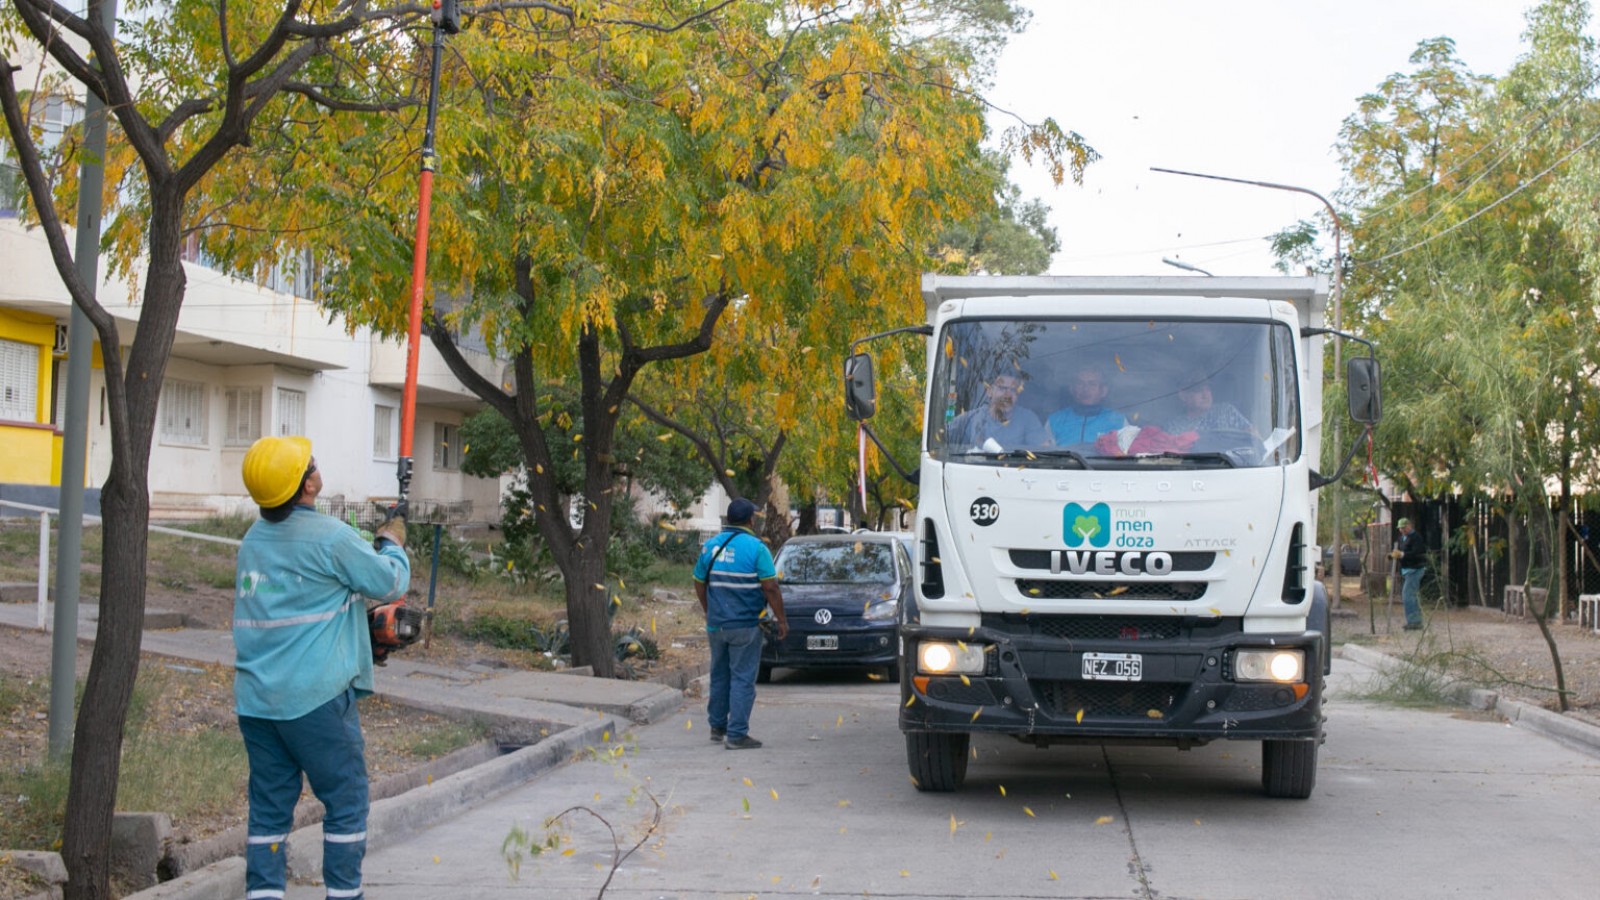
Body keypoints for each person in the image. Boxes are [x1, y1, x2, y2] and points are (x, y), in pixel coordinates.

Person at [234, 435, 411, 900]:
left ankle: (264, 894)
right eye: (311, 464)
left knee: (269, 811)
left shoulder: (252, 541)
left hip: (257, 702)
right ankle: (344, 894)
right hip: (315, 701)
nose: (316, 466)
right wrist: (392, 542)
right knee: (346, 802)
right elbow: (389, 580)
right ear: (307, 485)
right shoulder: (330, 537)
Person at [694, 498, 789, 749]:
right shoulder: (757, 549)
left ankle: (717, 727)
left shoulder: (710, 547)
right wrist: (781, 619)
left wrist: (709, 610)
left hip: (717, 625)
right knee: (743, 678)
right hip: (746, 626)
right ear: (750, 520)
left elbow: (698, 581)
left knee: (720, 674)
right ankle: (736, 734)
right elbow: (770, 587)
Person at [945, 370, 1050, 449]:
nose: (1008, 395)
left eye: (1013, 390)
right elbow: (940, 443)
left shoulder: (1028, 419)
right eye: (1002, 388)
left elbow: (1044, 451)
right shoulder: (969, 419)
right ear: (989, 391)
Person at [1048, 363, 1125, 446]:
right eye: (1080, 384)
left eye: (1092, 384)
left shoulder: (1119, 421)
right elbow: (1045, 454)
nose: (1085, 389)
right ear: (1071, 389)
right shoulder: (1055, 420)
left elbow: (1128, 454)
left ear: (1103, 391)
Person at [1166, 377, 1256, 436]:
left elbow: (1255, 439)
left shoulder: (1226, 411)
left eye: (1208, 389)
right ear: (1183, 396)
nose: (1205, 395)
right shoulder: (1176, 425)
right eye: (1198, 390)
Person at [1390, 517, 1426, 630]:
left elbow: (1417, 553)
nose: (1402, 530)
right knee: (1411, 595)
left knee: (1407, 595)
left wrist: (1402, 554)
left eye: (1404, 527)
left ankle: (1414, 622)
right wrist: (1393, 555)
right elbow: (1399, 551)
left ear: (1409, 526)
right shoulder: (1401, 538)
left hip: (1416, 569)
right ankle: (1416, 620)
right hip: (1406, 569)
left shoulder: (1416, 538)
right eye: (1400, 528)